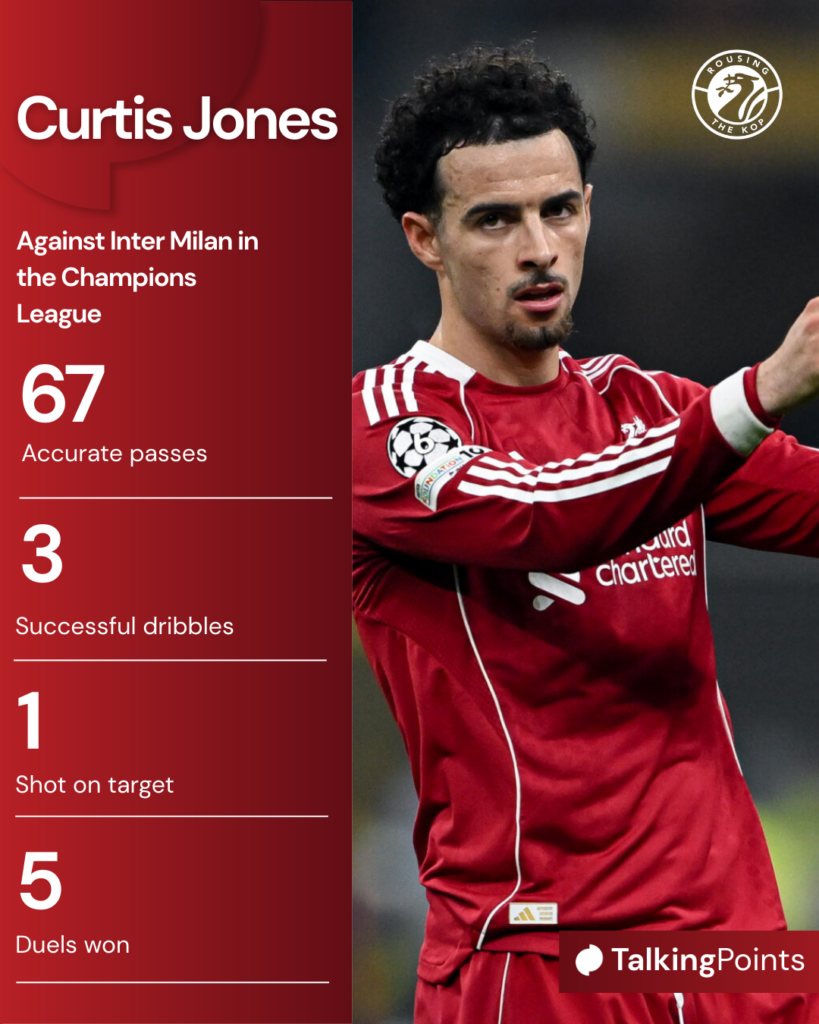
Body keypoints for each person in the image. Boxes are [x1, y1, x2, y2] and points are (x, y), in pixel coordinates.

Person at [352, 44, 819, 1023]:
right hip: (541, 962)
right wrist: (757, 396)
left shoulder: (645, 412)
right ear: (423, 238)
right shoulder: (382, 427)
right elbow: (540, 516)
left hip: (733, 956)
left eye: (560, 209)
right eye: (495, 219)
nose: (539, 248)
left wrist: (720, 422)